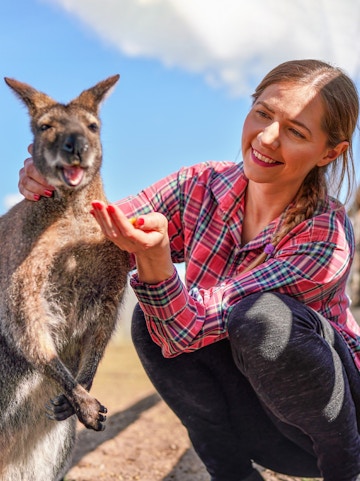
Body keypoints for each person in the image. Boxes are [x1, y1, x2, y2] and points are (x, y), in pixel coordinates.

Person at [19, 59, 360, 481]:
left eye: (296, 131)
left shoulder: (324, 234)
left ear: (330, 152)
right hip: (261, 426)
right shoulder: (199, 185)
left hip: (337, 431)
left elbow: (193, 326)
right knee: (151, 319)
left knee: (260, 319)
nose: (268, 138)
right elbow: (99, 229)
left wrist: (157, 264)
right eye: (263, 114)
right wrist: (53, 180)